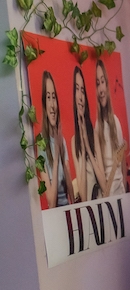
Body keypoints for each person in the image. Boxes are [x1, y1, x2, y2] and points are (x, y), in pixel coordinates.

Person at [38, 71, 73, 207]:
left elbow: (71, 194)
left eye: (54, 98)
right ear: (44, 104)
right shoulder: (41, 143)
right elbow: (51, 203)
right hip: (56, 216)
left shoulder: (61, 140)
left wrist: (64, 162)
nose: (52, 105)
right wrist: (57, 155)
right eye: (48, 98)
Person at [70, 65, 105, 201]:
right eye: (77, 90)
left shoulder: (94, 135)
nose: (80, 96)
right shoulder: (74, 142)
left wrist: (89, 149)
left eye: (83, 90)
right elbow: (83, 197)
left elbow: (103, 184)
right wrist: (83, 148)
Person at [93, 59, 128, 197]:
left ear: (107, 85)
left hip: (120, 192)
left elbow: (123, 161)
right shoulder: (97, 127)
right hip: (107, 196)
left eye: (103, 82)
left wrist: (124, 186)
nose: (101, 89)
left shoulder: (116, 122)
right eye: (97, 83)